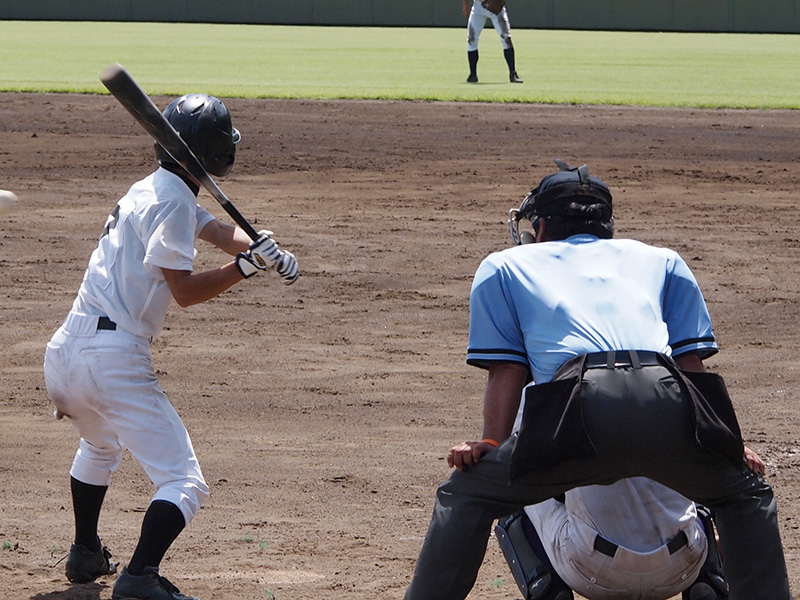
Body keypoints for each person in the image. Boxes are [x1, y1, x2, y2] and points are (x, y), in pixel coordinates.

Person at [402, 160, 793, 600]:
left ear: (542, 224)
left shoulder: (506, 265)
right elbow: (691, 371)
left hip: (580, 404)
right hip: (666, 399)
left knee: (468, 495)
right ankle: (713, 581)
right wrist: (726, 444)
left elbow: (507, 370)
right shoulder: (662, 258)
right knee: (744, 494)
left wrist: (490, 446)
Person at [43, 93, 298, 600]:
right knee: (184, 481)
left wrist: (260, 246)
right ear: (216, 152)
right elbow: (183, 292)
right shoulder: (173, 201)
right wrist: (243, 270)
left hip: (66, 354)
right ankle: (139, 578)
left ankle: (85, 551)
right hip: (113, 360)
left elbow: (214, 229)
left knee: (99, 444)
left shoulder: (153, 188)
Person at [462, 0, 523, 83]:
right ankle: (473, 74)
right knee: (471, 40)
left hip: (496, 7)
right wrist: (465, 4)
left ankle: (513, 73)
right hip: (478, 7)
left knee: (506, 38)